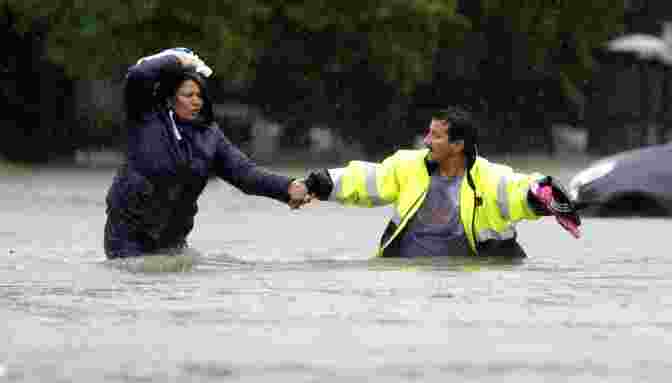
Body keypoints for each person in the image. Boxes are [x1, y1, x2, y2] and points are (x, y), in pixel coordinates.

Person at [103, 48, 311, 259]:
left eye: (200, 95)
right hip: (128, 239)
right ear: (169, 98)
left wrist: (287, 188)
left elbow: (246, 174)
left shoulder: (209, 135)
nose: (197, 101)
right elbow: (139, 74)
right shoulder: (144, 116)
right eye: (188, 95)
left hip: (172, 240)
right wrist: (179, 59)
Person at [301, 106, 581, 258]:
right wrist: (320, 182)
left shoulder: (489, 177)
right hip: (407, 282)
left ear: (458, 144)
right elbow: (366, 179)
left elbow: (517, 189)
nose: (426, 140)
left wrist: (543, 192)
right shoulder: (408, 165)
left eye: (436, 136)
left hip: (468, 285)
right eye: (428, 133)